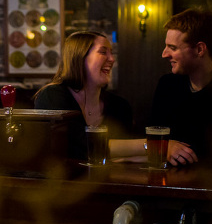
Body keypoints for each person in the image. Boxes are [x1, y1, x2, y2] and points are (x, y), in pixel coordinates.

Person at [148, 8, 212, 168]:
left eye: (173, 48)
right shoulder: (167, 85)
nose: (164, 54)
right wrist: (166, 146)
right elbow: (151, 140)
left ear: (200, 49)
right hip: (169, 186)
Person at [34, 31, 143, 161]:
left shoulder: (120, 106)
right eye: (103, 52)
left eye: (111, 53)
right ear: (79, 57)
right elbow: (77, 148)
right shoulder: (52, 96)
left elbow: (133, 157)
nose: (112, 59)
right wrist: (153, 145)